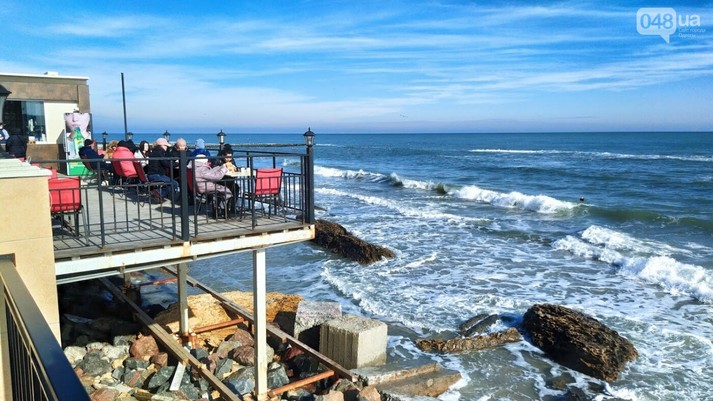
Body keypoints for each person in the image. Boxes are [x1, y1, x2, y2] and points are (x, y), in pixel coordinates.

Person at [146, 138, 179, 202]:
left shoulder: (154, 152)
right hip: (157, 175)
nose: (167, 147)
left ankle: (158, 194)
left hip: (151, 174)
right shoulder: (160, 152)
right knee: (175, 184)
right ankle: (159, 193)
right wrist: (178, 163)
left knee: (170, 183)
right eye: (166, 146)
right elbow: (166, 164)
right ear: (161, 145)